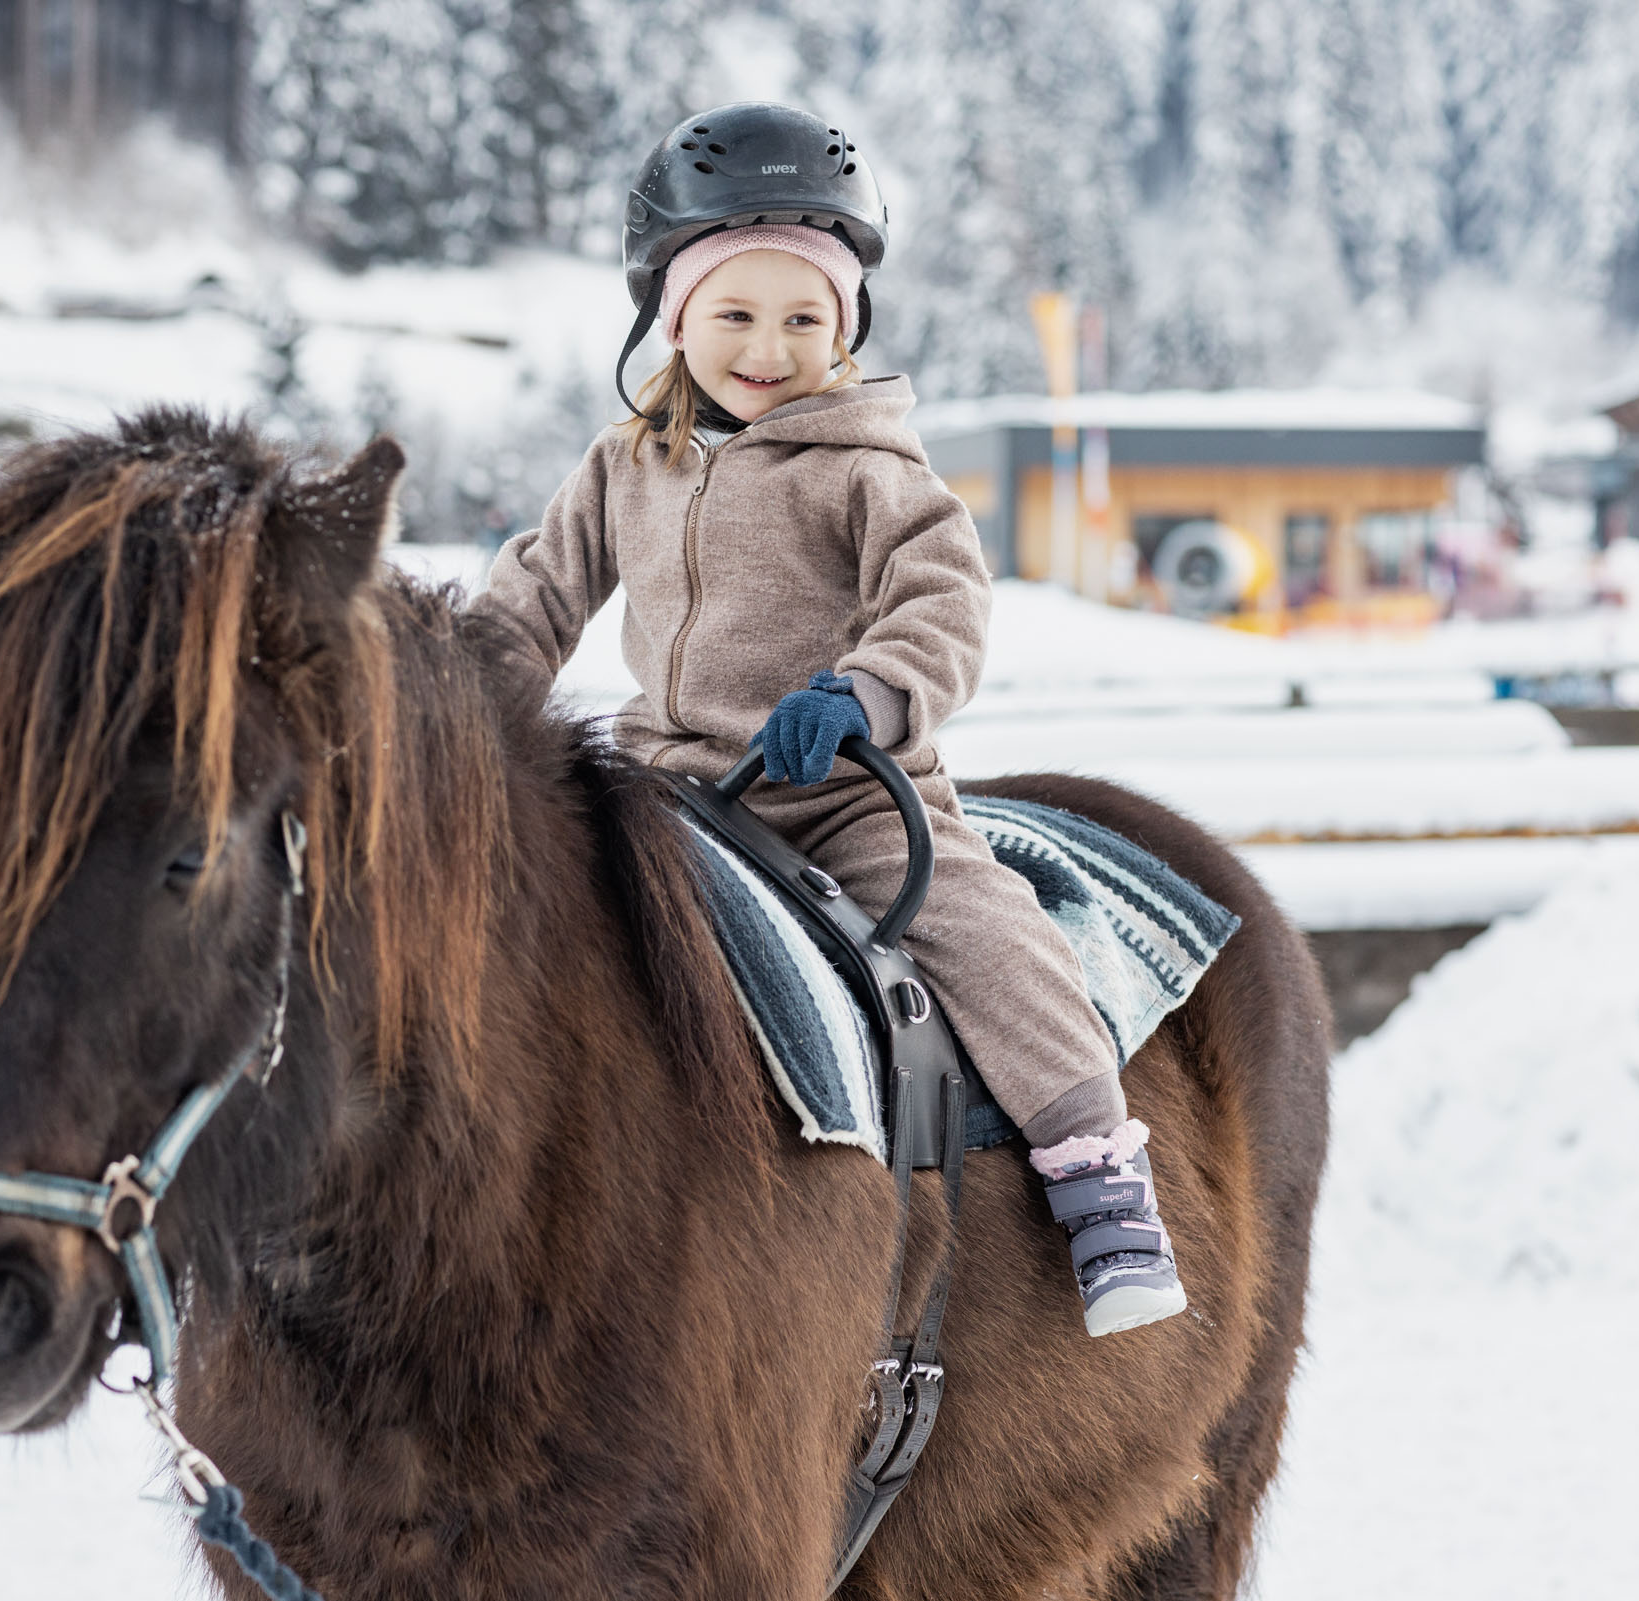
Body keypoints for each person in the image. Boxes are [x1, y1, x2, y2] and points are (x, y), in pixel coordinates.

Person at [467, 103, 1185, 1336]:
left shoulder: (872, 465)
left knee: (984, 933)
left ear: (844, 333)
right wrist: (458, 687)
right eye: (734, 313)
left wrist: (865, 693)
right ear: (671, 319)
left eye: (806, 317)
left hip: (841, 786)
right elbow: (536, 591)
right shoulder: (623, 463)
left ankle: (1096, 1171)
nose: (768, 344)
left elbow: (943, 599)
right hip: (660, 783)